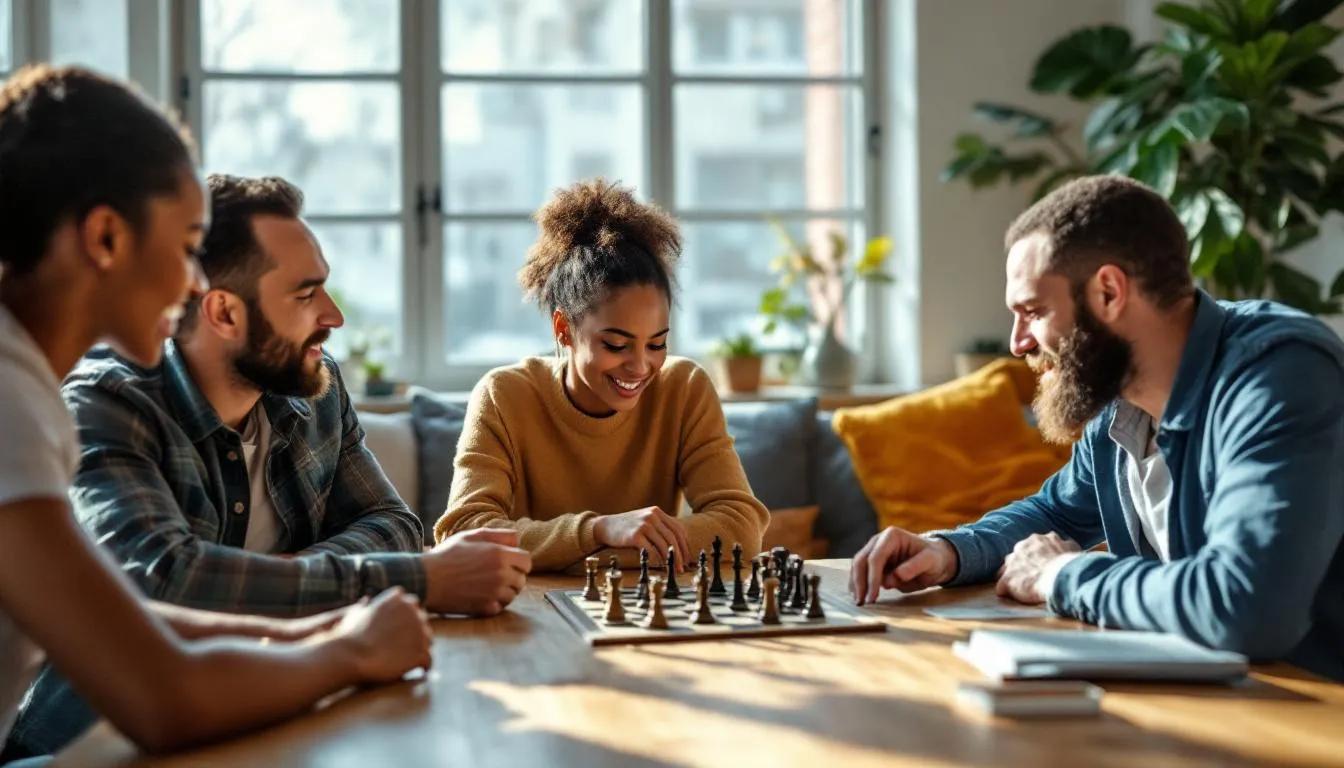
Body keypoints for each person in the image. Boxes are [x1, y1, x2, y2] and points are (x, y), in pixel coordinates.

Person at [8, 172, 534, 757]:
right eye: (306, 295)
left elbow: (395, 523)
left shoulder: (315, 389)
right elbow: (162, 580)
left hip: (282, 707)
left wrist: (298, 574)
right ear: (225, 314)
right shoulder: (109, 400)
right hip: (93, 744)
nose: (334, 317)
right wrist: (423, 579)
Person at [0, 64, 434, 766]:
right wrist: (350, 650)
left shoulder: (25, 383)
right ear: (106, 238)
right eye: (184, 247)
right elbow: (160, 697)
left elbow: (125, 621)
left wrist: (312, 631)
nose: (197, 286)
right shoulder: (14, 397)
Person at [850, 175, 1344, 681]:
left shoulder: (1280, 373)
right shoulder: (1120, 398)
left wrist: (1063, 575)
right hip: (1213, 701)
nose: (1018, 343)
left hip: (1315, 710)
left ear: (1108, 292)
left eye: (1033, 311)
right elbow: (1056, 510)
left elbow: (1249, 608)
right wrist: (948, 551)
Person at [435, 179, 770, 572]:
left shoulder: (685, 388)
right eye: (616, 345)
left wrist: (584, 559)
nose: (641, 366)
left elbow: (741, 526)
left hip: (646, 611)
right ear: (564, 329)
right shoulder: (503, 395)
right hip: (531, 614)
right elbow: (463, 531)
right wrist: (598, 530)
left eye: (657, 344)